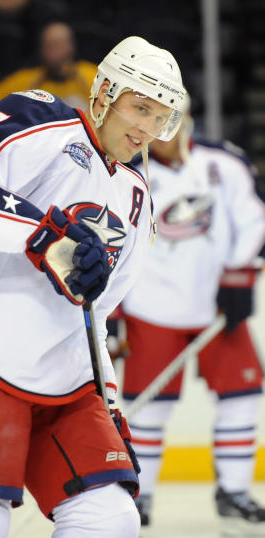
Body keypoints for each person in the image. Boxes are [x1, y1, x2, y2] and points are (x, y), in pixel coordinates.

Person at [0, 35, 187, 538]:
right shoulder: (43, 121)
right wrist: (45, 233)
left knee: (109, 516)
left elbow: (97, 314)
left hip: (66, 382)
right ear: (104, 92)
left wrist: (107, 398)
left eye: (161, 116)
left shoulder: (138, 199)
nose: (147, 127)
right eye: (139, 107)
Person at [109, 107, 265, 534]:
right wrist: (113, 313)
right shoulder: (121, 174)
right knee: (149, 409)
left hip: (216, 308)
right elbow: (115, 244)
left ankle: (233, 492)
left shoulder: (223, 163)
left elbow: (253, 220)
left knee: (242, 396)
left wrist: (238, 276)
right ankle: (139, 498)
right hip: (152, 310)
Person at [0, 21, 98, 111]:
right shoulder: (26, 79)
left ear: (70, 46)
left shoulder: (91, 75)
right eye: (47, 45)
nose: (51, 52)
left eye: (56, 45)